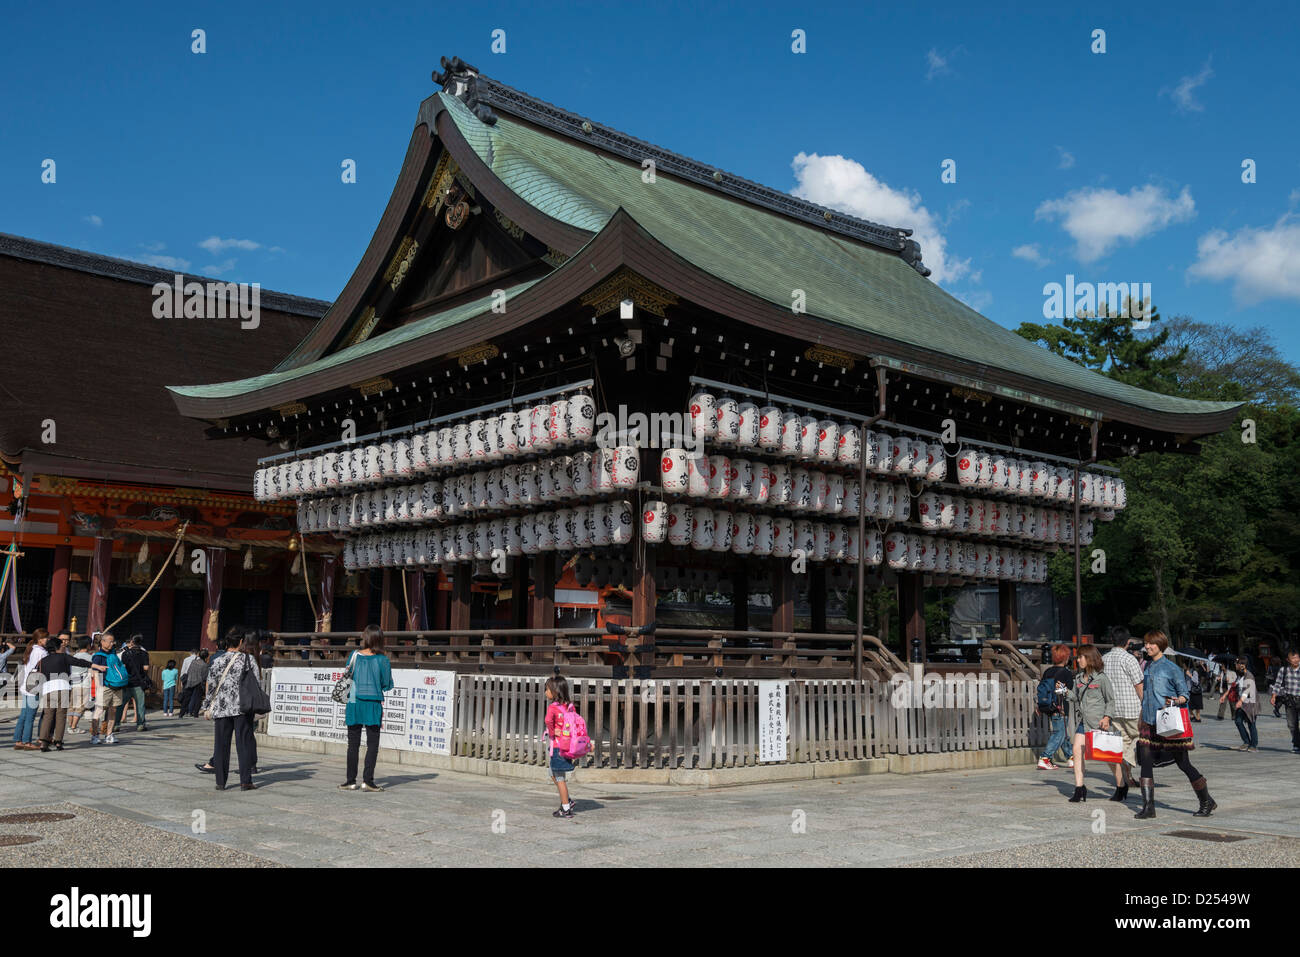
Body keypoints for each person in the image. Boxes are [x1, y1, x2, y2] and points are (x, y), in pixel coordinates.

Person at [1134, 630, 1216, 819]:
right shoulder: (1146, 666)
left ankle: (1206, 801)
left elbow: (1185, 694)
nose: (1147, 646)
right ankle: (1148, 807)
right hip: (1148, 720)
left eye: (1151, 643)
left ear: (1160, 645)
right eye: (1146, 643)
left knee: (1183, 763)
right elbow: (1145, 695)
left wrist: (1176, 700)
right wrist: (1140, 716)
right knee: (1145, 762)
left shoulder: (1172, 668)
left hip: (1167, 720)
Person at [200, 632, 260, 791]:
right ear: (241, 641)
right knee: (244, 744)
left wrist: (206, 706)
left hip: (221, 708)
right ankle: (245, 781)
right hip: (242, 708)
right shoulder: (248, 660)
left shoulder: (217, 660)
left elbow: (211, 686)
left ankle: (220, 781)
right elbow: (257, 683)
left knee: (221, 745)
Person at [339, 626, 393, 792]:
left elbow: (348, 676)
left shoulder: (354, 655)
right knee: (372, 744)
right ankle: (368, 781)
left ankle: (350, 781)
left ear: (366, 638)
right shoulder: (383, 659)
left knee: (353, 743)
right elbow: (386, 684)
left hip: (354, 700)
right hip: (373, 702)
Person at [1065, 645, 1116, 803]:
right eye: (1078, 657)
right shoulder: (1078, 678)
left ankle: (1122, 786)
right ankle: (1079, 788)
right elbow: (1075, 697)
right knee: (1076, 750)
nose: (1078, 660)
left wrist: (1107, 717)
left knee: (1109, 757)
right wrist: (1065, 692)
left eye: (1081, 657)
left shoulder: (1101, 678)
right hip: (1083, 721)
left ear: (1090, 658)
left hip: (1100, 722)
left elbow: (1110, 700)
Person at [1102, 635, 1144, 802]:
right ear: (1127, 642)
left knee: (1123, 740)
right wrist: (1144, 702)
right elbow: (1138, 684)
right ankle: (1128, 760)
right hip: (1132, 707)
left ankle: (1125, 763)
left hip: (1113, 709)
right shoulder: (1130, 659)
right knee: (1139, 737)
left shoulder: (1104, 659)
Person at [37, 634, 94, 751]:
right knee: (60, 716)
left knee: (48, 716)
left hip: (47, 689)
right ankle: (58, 742)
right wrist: (93, 664)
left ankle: (43, 742)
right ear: (58, 647)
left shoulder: (42, 661)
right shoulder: (63, 657)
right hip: (62, 688)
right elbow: (78, 662)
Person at [196, 630, 237, 774]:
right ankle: (249, 768)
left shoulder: (215, 659)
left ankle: (216, 766)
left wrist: (207, 702)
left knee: (222, 739)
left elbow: (210, 682)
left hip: (222, 703)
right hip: (240, 704)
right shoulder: (246, 659)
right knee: (244, 738)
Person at [545, 676, 580, 818]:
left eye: (547, 689)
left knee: (559, 778)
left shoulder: (552, 708)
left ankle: (565, 809)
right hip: (568, 746)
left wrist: (553, 731)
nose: (546, 692)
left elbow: (548, 721)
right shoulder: (570, 706)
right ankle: (568, 801)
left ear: (555, 691)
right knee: (551, 772)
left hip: (558, 746)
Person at [1036, 644, 1075, 770]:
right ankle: (1045, 758)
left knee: (1063, 733)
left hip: (1048, 705)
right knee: (1059, 733)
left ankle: (1071, 757)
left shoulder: (1048, 671)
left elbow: (1043, 689)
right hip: (1061, 707)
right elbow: (1067, 691)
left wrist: (1039, 706)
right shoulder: (1066, 673)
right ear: (1065, 658)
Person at [13, 632, 49, 751]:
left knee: (23, 715)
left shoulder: (30, 649)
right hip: (34, 685)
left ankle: (18, 740)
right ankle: (27, 742)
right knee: (30, 716)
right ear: (40, 639)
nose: (47, 640)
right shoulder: (42, 652)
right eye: (45, 637)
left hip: (26, 684)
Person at [90, 633, 126, 745]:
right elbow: (95, 673)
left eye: (113, 641)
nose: (112, 643)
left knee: (113, 710)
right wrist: (97, 689)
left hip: (117, 686)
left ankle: (109, 734)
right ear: (103, 642)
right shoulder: (98, 656)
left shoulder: (114, 654)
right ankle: (95, 735)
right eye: (110, 641)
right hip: (104, 686)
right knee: (99, 710)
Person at [116, 634, 151, 732]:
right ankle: (140, 725)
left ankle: (116, 724)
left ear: (132, 642)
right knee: (140, 705)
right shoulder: (144, 654)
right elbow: (146, 668)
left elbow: (123, 667)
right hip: (139, 683)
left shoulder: (125, 653)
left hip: (127, 682)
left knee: (121, 705)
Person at [1223, 657, 1259, 752]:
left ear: (1242, 665)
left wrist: (1240, 701)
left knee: (1251, 723)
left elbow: (1247, 690)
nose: (1235, 665)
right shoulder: (1240, 675)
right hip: (1242, 703)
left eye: (1237, 664)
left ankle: (1254, 745)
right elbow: (1234, 687)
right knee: (1238, 721)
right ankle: (1246, 742)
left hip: (1250, 703)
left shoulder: (1249, 675)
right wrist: (1225, 695)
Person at [1270, 648, 1300, 754]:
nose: (1296, 660)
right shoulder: (1284, 670)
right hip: (1290, 700)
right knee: (1292, 724)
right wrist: (1273, 696)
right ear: (1288, 660)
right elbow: (1277, 684)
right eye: (1293, 658)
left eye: (1297, 658)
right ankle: (1296, 744)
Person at [64, 637, 96, 735]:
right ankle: (73, 727)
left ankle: (70, 726)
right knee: (80, 707)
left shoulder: (74, 655)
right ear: (88, 645)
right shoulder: (90, 657)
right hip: (84, 684)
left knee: (72, 706)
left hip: (73, 683)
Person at [183, 649, 210, 718]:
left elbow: (189, 671)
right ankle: (195, 713)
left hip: (191, 680)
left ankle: (181, 713)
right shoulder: (205, 665)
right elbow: (205, 676)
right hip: (199, 683)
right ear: (206, 657)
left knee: (187, 697)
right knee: (198, 699)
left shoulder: (193, 662)